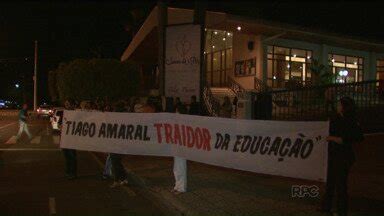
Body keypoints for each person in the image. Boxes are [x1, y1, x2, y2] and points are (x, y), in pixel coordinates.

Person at [320, 97, 364, 216]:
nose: (338, 106)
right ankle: (326, 207)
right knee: (330, 183)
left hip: (343, 157)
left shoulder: (351, 121)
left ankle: (341, 210)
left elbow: (357, 137)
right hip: (334, 155)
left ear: (345, 107)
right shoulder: (338, 118)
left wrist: (336, 139)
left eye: (339, 104)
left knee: (340, 185)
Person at [109, 101, 129, 188]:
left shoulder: (115, 117)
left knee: (115, 162)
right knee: (117, 162)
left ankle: (116, 180)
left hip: (116, 143)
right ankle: (124, 178)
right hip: (122, 143)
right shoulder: (126, 117)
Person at [172, 102, 188, 194]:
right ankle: (177, 186)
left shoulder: (184, 121)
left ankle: (181, 188)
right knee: (176, 167)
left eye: (176, 111)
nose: (175, 112)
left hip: (181, 147)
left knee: (181, 166)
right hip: (176, 146)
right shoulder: (177, 121)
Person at [61, 100, 78, 180]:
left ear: (72, 105)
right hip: (65, 139)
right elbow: (61, 125)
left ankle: (73, 173)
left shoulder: (75, 114)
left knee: (72, 157)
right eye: (66, 104)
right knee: (67, 157)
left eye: (68, 104)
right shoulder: (64, 113)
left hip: (72, 140)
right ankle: (68, 172)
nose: (66, 105)